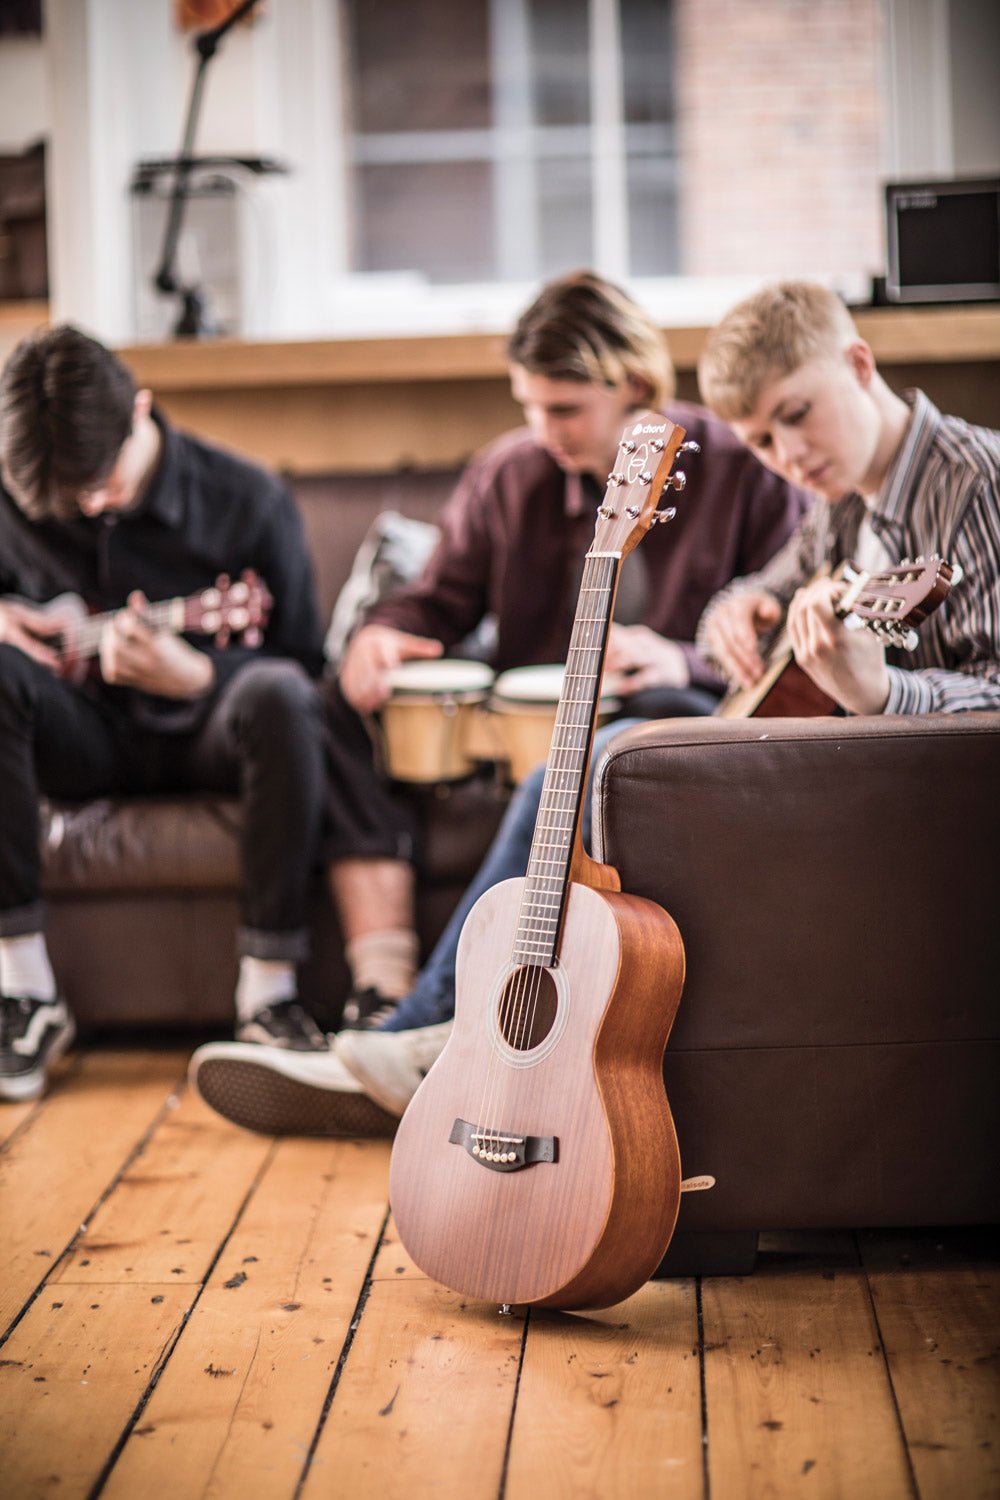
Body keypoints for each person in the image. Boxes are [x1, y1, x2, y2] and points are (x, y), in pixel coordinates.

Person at [189, 268, 812, 1136]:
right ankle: (390, 1009)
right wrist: (381, 634)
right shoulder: (512, 474)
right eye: (528, 406)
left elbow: (782, 643)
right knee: (330, 703)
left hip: (669, 726)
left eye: (563, 410)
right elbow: (436, 601)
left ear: (632, 384)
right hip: (528, 735)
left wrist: (674, 651)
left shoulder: (749, 468)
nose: (541, 430)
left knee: (601, 743)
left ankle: (407, 1044)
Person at [0, 325, 331, 1103]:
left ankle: (269, 993)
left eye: (100, 486)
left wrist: (199, 676)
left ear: (141, 410)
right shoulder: (17, 489)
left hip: (206, 731)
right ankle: (26, 992)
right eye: (65, 502)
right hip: (73, 735)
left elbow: (311, 675)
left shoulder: (249, 499)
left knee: (278, 696)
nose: (86, 507)